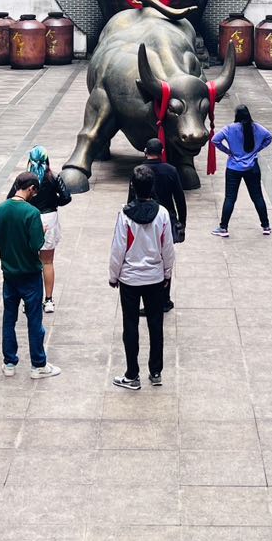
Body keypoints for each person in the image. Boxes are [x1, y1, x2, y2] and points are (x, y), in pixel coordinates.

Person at [111, 162, 176, 390]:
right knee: (156, 325)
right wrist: (167, 272)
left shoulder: (124, 214)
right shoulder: (163, 214)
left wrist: (113, 275)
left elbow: (118, 248)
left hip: (130, 279)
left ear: (132, 186)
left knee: (130, 326)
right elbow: (167, 247)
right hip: (155, 278)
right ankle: (156, 371)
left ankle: (132, 375)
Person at [0, 171, 59, 378]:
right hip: (30, 274)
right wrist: (43, 230)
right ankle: (38, 364)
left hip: (9, 274)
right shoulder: (31, 213)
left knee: (9, 318)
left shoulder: (0, 209)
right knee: (34, 321)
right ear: (31, 189)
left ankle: (9, 362)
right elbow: (36, 245)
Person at [129, 139, 186, 311]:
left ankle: (150, 301)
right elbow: (179, 198)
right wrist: (182, 221)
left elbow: (131, 198)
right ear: (161, 152)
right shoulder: (170, 170)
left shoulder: (139, 171)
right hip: (166, 219)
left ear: (146, 151)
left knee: (147, 257)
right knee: (164, 259)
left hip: (142, 219)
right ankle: (164, 300)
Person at [210, 104, 272, 237]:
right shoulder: (257, 128)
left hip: (233, 168)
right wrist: (257, 149)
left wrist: (228, 151)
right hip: (252, 168)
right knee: (257, 197)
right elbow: (269, 137)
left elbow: (215, 140)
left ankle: (223, 228)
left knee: (230, 198)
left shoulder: (230, 128)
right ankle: (266, 226)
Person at [26, 145, 71, 312]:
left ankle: (30, 299)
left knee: (30, 260)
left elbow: (12, 197)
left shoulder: (25, 179)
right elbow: (66, 197)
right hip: (49, 218)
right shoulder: (53, 177)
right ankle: (49, 300)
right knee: (47, 261)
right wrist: (54, 203)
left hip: (29, 218)